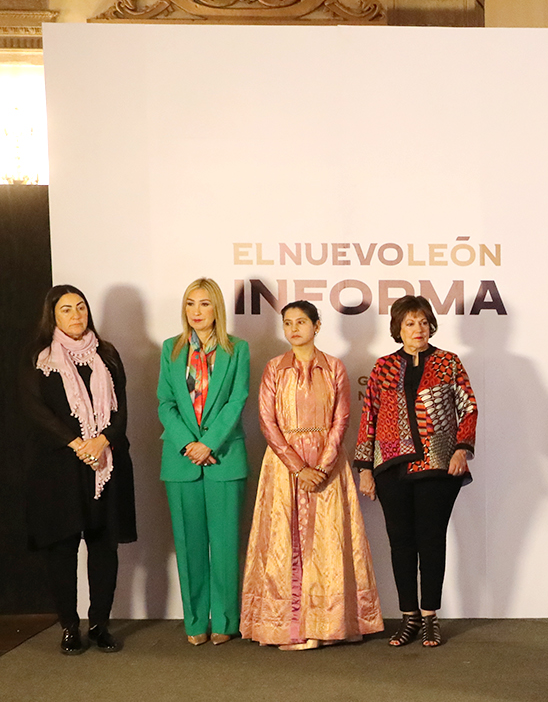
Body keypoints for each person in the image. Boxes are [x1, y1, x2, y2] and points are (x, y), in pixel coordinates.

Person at [240, 302, 383, 650]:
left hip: (326, 464)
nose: (294, 329)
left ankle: (327, 627)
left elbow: (341, 419)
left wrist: (321, 467)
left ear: (316, 326)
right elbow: (267, 422)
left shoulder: (334, 367)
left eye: (301, 322)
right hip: (283, 465)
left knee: (327, 543)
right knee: (284, 542)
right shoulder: (274, 368)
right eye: (288, 323)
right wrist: (297, 467)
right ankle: (291, 628)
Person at [355, 295, 478, 648]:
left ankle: (430, 617)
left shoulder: (448, 362)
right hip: (390, 468)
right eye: (410, 323)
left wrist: (462, 448)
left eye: (423, 322)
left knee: (431, 540)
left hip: (437, 465)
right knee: (401, 543)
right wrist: (365, 468)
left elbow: (468, 408)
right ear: (398, 328)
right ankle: (408, 617)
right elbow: (369, 417)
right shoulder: (382, 367)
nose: (418, 329)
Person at [20, 285, 137, 654]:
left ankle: (100, 624)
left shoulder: (108, 354)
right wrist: (77, 443)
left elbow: (121, 408)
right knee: (63, 548)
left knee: (104, 546)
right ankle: (70, 627)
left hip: (106, 463)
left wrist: (102, 441)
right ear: (53, 316)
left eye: (81, 307)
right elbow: (36, 410)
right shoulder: (39, 358)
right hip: (58, 468)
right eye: (66, 309)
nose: (76, 315)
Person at [157, 278, 250, 646]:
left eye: (204, 304)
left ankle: (226, 620)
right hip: (181, 461)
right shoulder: (171, 348)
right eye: (190, 304)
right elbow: (165, 403)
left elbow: (237, 399)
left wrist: (209, 443)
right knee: (189, 546)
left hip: (224, 458)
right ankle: (195, 622)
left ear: (217, 309)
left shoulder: (237, 349)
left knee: (225, 546)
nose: (196, 311)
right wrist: (188, 444)